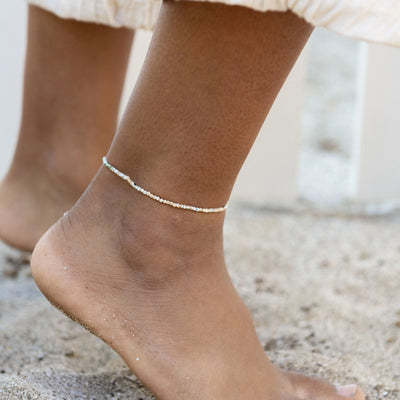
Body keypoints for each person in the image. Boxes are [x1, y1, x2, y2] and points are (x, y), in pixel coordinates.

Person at [3, 0, 399, 398]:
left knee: (64, 171)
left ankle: (56, 168)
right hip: (144, 246)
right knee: (154, 230)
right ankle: (151, 238)